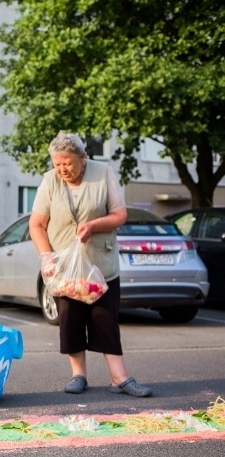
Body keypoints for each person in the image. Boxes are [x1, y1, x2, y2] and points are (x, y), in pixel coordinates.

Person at [29, 131, 152, 397]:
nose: (62, 169)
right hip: (66, 270)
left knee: (106, 319)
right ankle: (78, 375)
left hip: (101, 264)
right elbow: (37, 224)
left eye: (68, 163)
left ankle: (119, 378)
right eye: (57, 164)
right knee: (70, 319)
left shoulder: (103, 172)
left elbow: (120, 215)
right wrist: (46, 256)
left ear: (83, 158)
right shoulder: (49, 181)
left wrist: (94, 225)